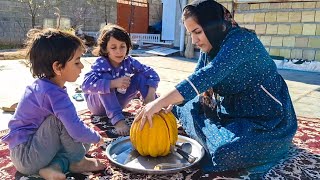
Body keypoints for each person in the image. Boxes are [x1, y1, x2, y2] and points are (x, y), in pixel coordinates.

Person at [134, 0, 297, 177]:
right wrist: (173, 102)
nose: (195, 40)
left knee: (226, 153)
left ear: (214, 25)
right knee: (182, 104)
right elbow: (197, 80)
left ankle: (207, 134)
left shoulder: (242, 42)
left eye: (197, 32)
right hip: (229, 113)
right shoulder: (211, 46)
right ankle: (207, 133)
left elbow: (208, 75)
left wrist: (160, 101)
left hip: (267, 120)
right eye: (191, 34)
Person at [1, 28, 106, 180]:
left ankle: (54, 167)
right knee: (68, 127)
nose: (82, 66)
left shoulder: (43, 85)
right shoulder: (54, 94)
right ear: (57, 67)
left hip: (28, 153)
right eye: (77, 62)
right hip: (27, 156)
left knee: (82, 142)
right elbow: (75, 128)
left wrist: (86, 136)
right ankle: (79, 162)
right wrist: (97, 137)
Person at [82, 24, 160, 136]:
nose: (119, 51)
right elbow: (85, 85)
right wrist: (113, 83)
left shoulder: (129, 62)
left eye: (122, 46)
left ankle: (152, 108)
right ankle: (118, 120)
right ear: (105, 49)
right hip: (98, 107)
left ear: (127, 47)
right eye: (113, 48)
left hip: (119, 103)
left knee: (141, 76)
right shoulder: (101, 63)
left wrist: (151, 94)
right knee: (105, 78)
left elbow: (152, 74)